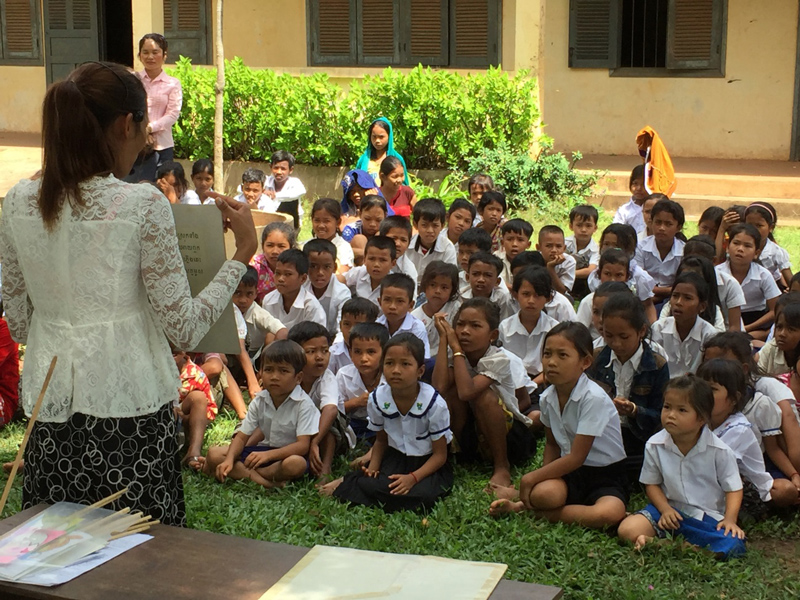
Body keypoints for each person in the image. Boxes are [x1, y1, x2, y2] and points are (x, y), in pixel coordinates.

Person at [0, 61, 257, 525]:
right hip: (130, 413)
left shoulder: (18, 201)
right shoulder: (140, 204)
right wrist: (241, 253)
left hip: (51, 409)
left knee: (57, 549)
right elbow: (184, 327)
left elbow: (19, 322)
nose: (146, 141)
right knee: (142, 552)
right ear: (126, 124)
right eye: (145, 129)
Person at [489, 323, 629, 530]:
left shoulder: (593, 398)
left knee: (609, 513)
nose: (551, 362)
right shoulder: (547, 398)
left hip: (605, 475)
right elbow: (552, 444)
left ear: (585, 362)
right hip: (569, 471)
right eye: (547, 354)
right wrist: (543, 480)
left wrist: (531, 478)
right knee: (543, 494)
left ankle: (524, 509)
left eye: (562, 355)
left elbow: (577, 456)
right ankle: (532, 501)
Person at [617, 375, 746, 558]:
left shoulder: (720, 451)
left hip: (705, 518)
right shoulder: (654, 445)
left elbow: (733, 488)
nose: (671, 415)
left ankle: (670, 545)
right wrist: (665, 509)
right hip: (669, 511)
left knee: (734, 545)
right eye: (667, 407)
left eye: (682, 410)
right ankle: (680, 543)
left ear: (701, 418)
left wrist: (730, 520)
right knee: (628, 530)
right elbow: (651, 484)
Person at [323, 333, 453, 511]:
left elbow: (440, 455)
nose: (396, 370)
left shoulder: (434, 404)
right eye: (389, 363)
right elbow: (381, 441)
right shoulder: (377, 398)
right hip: (395, 456)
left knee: (424, 497)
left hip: (426, 462)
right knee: (374, 484)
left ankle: (352, 482)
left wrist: (412, 478)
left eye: (405, 364)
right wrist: (373, 469)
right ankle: (353, 480)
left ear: (420, 371)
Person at [432, 298, 536, 487]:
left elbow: (467, 392)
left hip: (509, 437)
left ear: (492, 335)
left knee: (484, 396)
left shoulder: (499, 359)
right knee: (451, 392)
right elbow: (439, 388)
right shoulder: (456, 356)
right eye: (460, 324)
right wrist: (443, 340)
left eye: (475, 326)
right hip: (473, 431)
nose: (465, 331)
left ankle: (502, 466)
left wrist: (456, 349)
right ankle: (455, 454)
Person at [201, 341, 320, 490]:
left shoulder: (304, 404)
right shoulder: (260, 400)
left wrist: (269, 456)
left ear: (298, 377)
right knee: (214, 454)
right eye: (269, 370)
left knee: (296, 464)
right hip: (261, 451)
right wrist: (229, 460)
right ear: (261, 373)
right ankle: (267, 483)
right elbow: (242, 437)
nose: (275, 376)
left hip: (285, 456)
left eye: (283, 371)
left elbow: (302, 445)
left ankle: (247, 474)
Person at [697, 359, 799, 508]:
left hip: (745, 487)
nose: (704, 394)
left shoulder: (738, 429)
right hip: (715, 480)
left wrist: (794, 474)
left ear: (733, 399)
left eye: (712, 389)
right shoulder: (698, 420)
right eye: (701, 388)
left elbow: (709, 465)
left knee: (784, 490)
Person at [703, 332, 800, 483]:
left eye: (723, 362)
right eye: (707, 362)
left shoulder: (760, 399)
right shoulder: (698, 397)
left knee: (783, 490)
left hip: (752, 468)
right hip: (712, 468)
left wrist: (794, 474)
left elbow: (774, 447)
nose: (714, 368)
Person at [588, 293, 669, 463]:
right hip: (602, 436)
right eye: (609, 335)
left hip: (640, 440)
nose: (616, 343)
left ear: (641, 331)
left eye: (624, 337)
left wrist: (634, 410)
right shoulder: (596, 360)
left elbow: (662, 415)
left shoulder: (657, 365)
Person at [288, 322, 353, 480]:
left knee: (328, 419)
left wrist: (315, 442)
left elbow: (330, 409)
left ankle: (325, 468)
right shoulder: (290, 376)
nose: (319, 357)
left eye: (325, 351)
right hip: (299, 431)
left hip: (330, 435)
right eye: (311, 351)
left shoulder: (327, 378)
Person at [715, 224, 780, 341]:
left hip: (756, 321)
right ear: (727, 247)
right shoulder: (717, 273)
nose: (740, 249)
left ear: (756, 253)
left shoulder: (763, 275)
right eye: (736, 243)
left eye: (747, 246)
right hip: (725, 319)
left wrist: (747, 328)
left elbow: (775, 309)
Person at [651, 272, 718, 377]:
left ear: (702, 307)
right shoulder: (659, 328)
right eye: (675, 296)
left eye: (687, 298)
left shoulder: (709, 335)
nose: (678, 302)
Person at [499, 266, 558, 386]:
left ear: (548, 298)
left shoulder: (555, 329)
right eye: (526, 294)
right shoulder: (505, 327)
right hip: (510, 382)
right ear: (515, 295)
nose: (531, 301)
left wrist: (531, 385)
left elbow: (554, 366)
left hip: (543, 382)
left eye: (537, 295)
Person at [337, 322, 389, 439]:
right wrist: (356, 402)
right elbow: (334, 409)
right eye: (357, 352)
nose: (364, 358)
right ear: (350, 353)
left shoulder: (390, 377)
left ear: (385, 353)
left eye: (371, 352)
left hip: (384, 426)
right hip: (352, 424)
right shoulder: (344, 375)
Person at [136, 33, 182, 165]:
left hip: (163, 147)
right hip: (135, 145)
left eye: (155, 52)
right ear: (139, 55)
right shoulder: (133, 80)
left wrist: (150, 128)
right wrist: (142, 131)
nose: (150, 57)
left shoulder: (173, 84)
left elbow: (172, 114)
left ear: (164, 55)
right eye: (145, 52)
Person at [634, 198, 686, 304]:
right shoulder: (640, 247)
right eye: (658, 222)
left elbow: (684, 286)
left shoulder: (684, 251)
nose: (661, 228)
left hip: (674, 300)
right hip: (643, 298)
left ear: (678, 227)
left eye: (668, 224)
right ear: (651, 222)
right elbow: (637, 281)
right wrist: (667, 291)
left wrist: (658, 291)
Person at [173, 350, 217, 471]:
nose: (172, 348)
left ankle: (193, 453)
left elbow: (210, 411)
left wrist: (188, 418)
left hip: (183, 418)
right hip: (156, 415)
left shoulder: (195, 374)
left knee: (198, 397)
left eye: (176, 342)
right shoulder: (149, 369)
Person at [261, 249, 326, 331]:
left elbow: (316, 337)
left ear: (303, 279)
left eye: (288, 274)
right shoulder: (268, 300)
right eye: (277, 273)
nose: (280, 279)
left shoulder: (311, 306)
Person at [232, 266, 288, 357]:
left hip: (254, 356)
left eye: (249, 294)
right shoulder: (224, 310)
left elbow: (283, 331)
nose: (243, 300)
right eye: (237, 293)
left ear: (256, 294)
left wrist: (271, 356)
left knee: (271, 336)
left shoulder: (258, 314)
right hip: (230, 355)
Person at [302, 239, 352, 336]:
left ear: (334, 268)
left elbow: (341, 330)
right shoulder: (300, 287)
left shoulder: (342, 292)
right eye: (313, 266)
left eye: (326, 267)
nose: (320, 272)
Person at [412, 261, 461, 357]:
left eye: (444, 287)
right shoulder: (414, 316)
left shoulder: (456, 309)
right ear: (425, 286)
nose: (438, 291)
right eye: (433, 285)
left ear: (452, 291)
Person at [377, 273, 430, 359]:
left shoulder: (416, 328)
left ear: (410, 305)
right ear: (380, 302)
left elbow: (422, 359)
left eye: (400, 301)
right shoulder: (377, 325)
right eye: (387, 300)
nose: (392, 306)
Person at [405, 198, 456, 288]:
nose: (430, 230)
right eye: (424, 225)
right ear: (415, 224)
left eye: (435, 225)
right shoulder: (407, 245)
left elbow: (449, 279)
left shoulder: (447, 248)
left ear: (442, 226)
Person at [744, 202, 792, 287]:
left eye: (759, 225)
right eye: (749, 225)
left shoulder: (776, 252)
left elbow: (790, 280)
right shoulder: (739, 247)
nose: (753, 229)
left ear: (771, 227)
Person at [342, 236, 397, 309]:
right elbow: (340, 279)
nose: (376, 264)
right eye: (372, 259)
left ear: (393, 263)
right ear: (364, 260)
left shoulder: (395, 285)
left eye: (382, 260)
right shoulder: (359, 272)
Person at [328, 298, 381, 375]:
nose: (351, 330)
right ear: (340, 325)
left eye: (358, 325)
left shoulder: (380, 350)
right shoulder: (333, 353)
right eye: (346, 324)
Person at [462, 252, 517, 321]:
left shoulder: (503, 298)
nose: (481, 280)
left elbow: (504, 323)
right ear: (467, 277)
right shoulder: (461, 296)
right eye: (476, 274)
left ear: (497, 281)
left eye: (488, 275)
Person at [251, 221, 296, 303]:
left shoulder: (297, 266)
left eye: (281, 246)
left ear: (291, 247)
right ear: (262, 246)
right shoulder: (254, 267)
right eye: (270, 245)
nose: (275, 251)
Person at [355, 117, 408, 185]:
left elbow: (403, 185)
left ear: (389, 136)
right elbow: (356, 182)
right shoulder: (364, 159)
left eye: (381, 137)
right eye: (374, 137)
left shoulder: (397, 159)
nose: (377, 140)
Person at [309, 197, 354, 273]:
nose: (321, 225)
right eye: (317, 220)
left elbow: (342, 275)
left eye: (326, 221)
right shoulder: (307, 245)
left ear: (338, 222)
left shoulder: (343, 248)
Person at [566, 205, 600, 300]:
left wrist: (567, 273)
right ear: (571, 226)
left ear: (595, 228)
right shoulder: (564, 243)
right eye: (579, 225)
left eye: (588, 226)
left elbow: (590, 270)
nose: (584, 230)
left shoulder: (596, 249)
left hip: (583, 282)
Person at [266, 151, 306, 229]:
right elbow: (242, 188)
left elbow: (301, 191)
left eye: (283, 169)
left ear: (291, 170)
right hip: (269, 223)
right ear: (271, 167)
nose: (279, 172)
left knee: (292, 201)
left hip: (291, 225)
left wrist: (275, 195)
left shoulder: (294, 182)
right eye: (276, 168)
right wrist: (261, 192)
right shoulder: (265, 181)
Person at [344, 195, 388, 266]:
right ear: (360, 214)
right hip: (357, 267)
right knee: (359, 239)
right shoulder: (350, 229)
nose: (372, 224)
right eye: (367, 219)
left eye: (378, 220)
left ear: (385, 216)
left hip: (382, 267)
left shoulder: (388, 230)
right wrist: (373, 253)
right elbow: (342, 251)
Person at [538, 225, 576, 296]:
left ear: (564, 248)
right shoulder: (532, 259)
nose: (554, 250)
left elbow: (562, 291)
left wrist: (550, 268)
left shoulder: (569, 261)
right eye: (549, 246)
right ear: (538, 247)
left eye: (558, 246)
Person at [380, 215, 417, 285]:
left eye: (403, 240)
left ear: (409, 243)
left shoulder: (409, 270)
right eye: (393, 238)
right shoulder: (371, 260)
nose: (398, 244)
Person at [496, 219, 533, 288]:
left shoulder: (533, 262)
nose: (514, 244)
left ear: (528, 244)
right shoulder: (495, 259)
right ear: (502, 242)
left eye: (520, 240)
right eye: (509, 239)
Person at [456, 228, 493, 295]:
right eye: (461, 252)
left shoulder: (493, 281)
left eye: (470, 253)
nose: (464, 257)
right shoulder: (457, 279)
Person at [612, 165, 647, 234]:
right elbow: (616, 231)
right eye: (635, 184)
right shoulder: (624, 210)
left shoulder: (654, 209)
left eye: (643, 184)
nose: (639, 188)